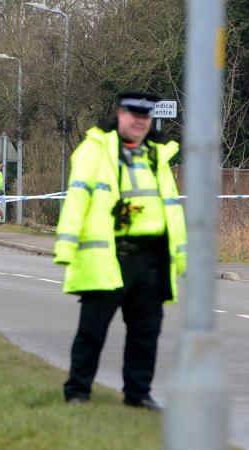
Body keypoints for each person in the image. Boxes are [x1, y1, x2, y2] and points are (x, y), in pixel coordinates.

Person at [53, 91, 187, 411]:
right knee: (92, 330)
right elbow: (78, 197)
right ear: (120, 114)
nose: (140, 122)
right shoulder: (96, 149)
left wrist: (179, 255)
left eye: (146, 117)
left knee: (146, 332)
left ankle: (138, 393)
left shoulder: (156, 154)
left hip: (151, 258)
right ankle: (78, 392)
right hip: (111, 255)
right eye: (133, 114)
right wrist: (66, 245)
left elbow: (170, 208)